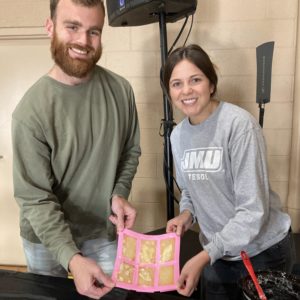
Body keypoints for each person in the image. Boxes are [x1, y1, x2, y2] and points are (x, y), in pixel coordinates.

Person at [11, 0, 141, 299]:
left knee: (111, 296)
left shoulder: (121, 90)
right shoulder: (30, 112)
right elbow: (35, 198)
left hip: (102, 232)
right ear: (50, 27)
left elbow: (130, 152)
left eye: (93, 31)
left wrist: (118, 193)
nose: (83, 41)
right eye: (72, 27)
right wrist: (71, 257)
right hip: (45, 240)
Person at [163, 44, 295, 299]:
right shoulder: (178, 136)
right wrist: (186, 216)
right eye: (176, 84)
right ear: (169, 92)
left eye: (195, 80)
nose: (186, 90)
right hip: (218, 252)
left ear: (211, 84)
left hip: (262, 252)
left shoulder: (239, 126)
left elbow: (252, 211)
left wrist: (205, 256)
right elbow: (190, 191)